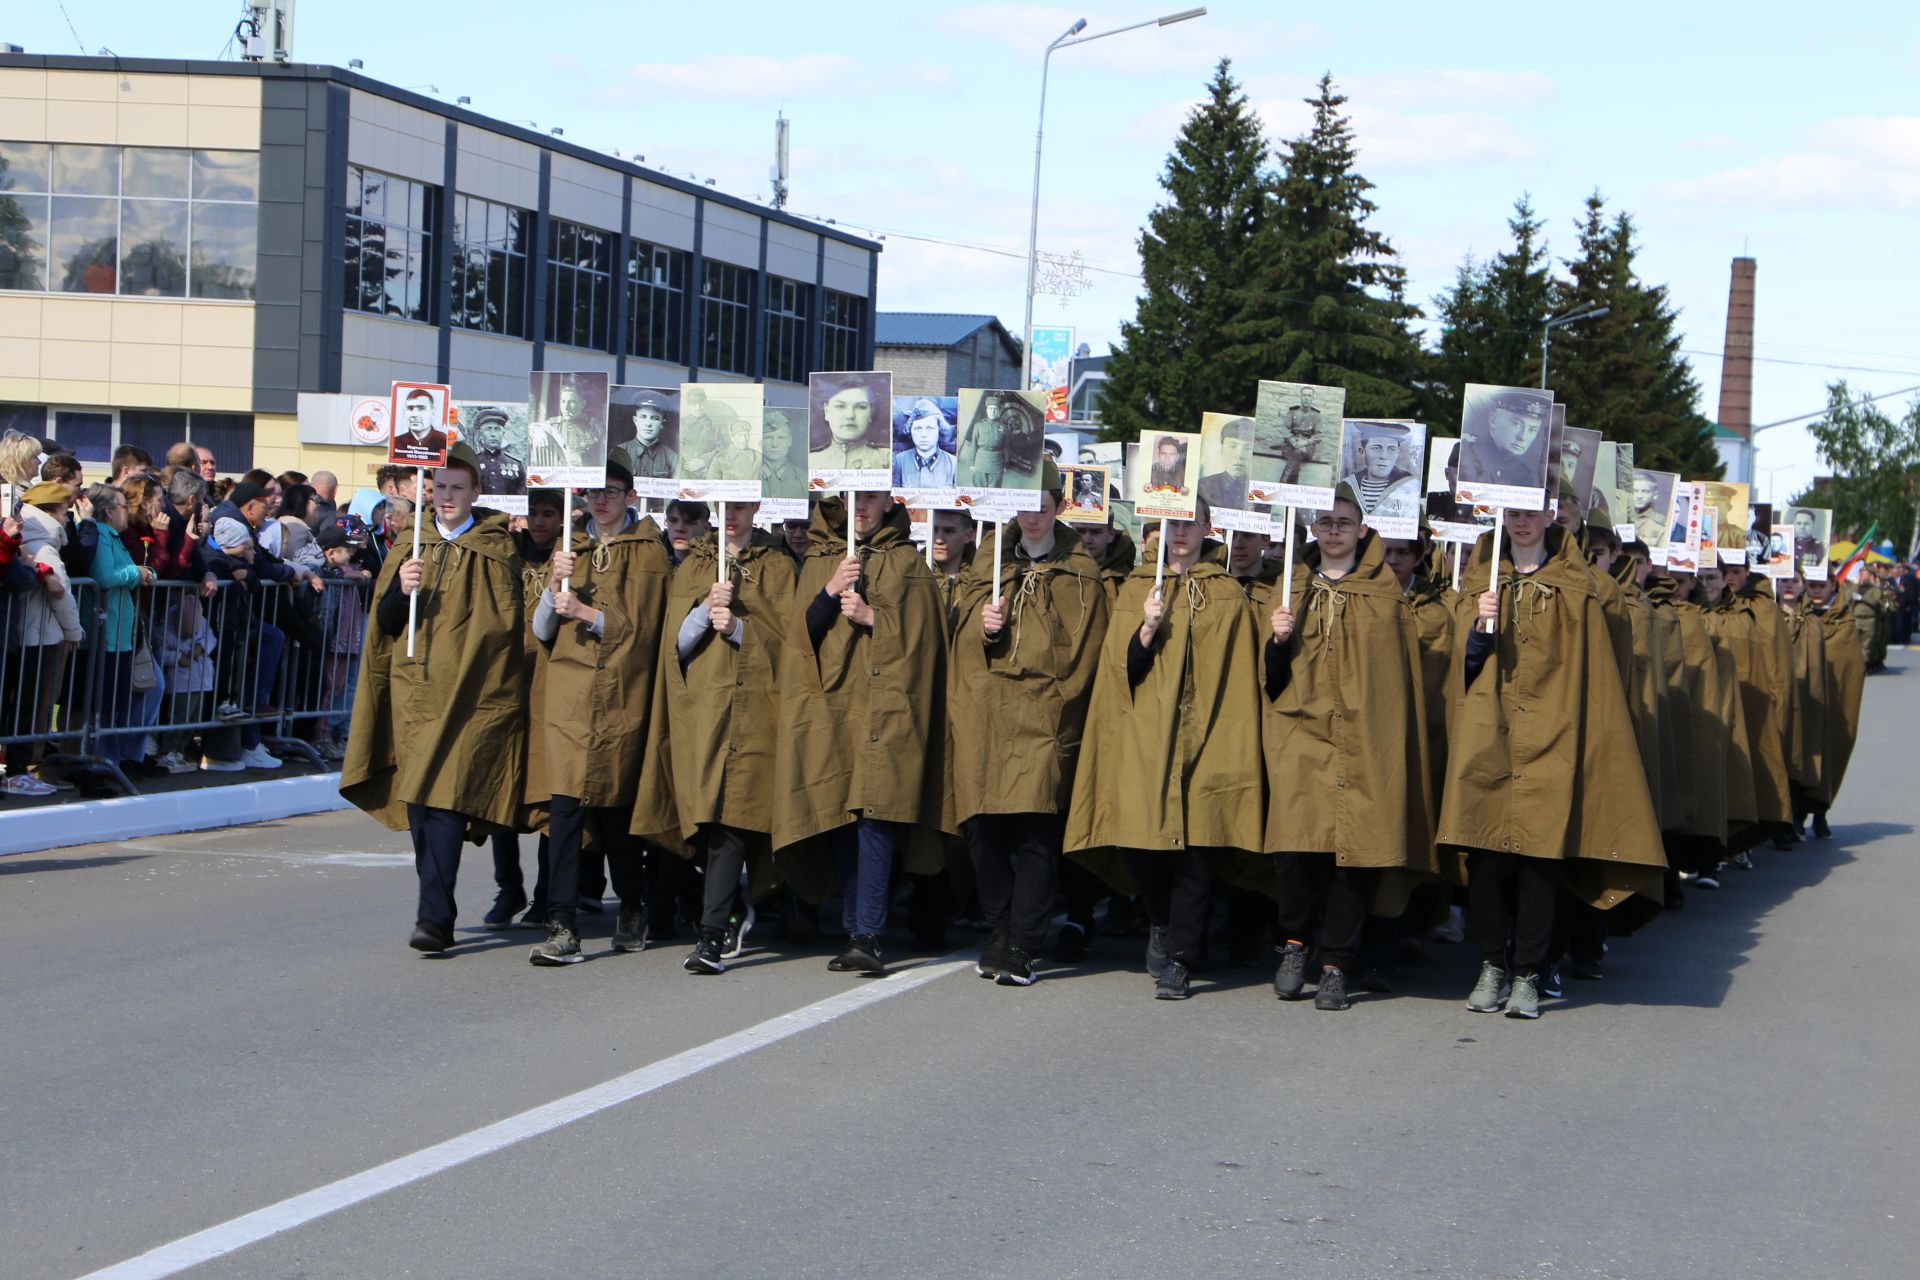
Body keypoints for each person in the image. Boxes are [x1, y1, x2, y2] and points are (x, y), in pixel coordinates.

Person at [1440, 508, 1664, 1020]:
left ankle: (1528, 973)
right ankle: (1492, 963)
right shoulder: (1479, 579)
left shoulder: (1578, 587)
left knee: (1542, 860)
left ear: (1548, 515)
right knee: (1484, 856)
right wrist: (1478, 626)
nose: (1521, 523)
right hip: (1487, 736)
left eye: (1530, 513)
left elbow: (1599, 666)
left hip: (1552, 734)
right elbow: (1461, 667)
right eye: (1511, 514)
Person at [1065, 496, 1265, 1000]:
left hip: (1209, 733)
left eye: (1190, 523)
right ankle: (1159, 920)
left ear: (1207, 527)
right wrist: (1147, 629)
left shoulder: (1226, 594)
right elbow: (1120, 673)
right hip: (1146, 735)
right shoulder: (1137, 587)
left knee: (1196, 848)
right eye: (1171, 523)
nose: (1180, 532)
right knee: (1141, 842)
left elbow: (1238, 674)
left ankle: (1180, 957)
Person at [342, 443, 530, 955]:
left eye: (457, 488)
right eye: (440, 487)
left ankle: (436, 917)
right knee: (422, 805)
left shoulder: (496, 548)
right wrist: (400, 591)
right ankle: (436, 905)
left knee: (445, 802)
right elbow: (383, 627)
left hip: (471, 699)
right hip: (415, 698)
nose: (446, 497)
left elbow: (508, 626)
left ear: (475, 492)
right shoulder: (412, 542)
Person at [1260, 490, 1433, 1011]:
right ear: (1313, 528)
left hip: (1362, 740)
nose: (1334, 531)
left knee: (1352, 857)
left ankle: (1337, 962)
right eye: (1326, 522)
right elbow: (1268, 679)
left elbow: (1396, 680)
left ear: (1362, 530)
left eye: (1344, 522)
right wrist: (1276, 640)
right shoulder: (1290, 586)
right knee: (1293, 849)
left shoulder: (1384, 594)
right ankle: (1295, 943)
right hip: (1301, 732)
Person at [774, 491, 949, 976]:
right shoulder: (822, 559)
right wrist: (830, 591)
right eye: (854, 501)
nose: (862, 510)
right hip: (833, 707)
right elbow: (801, 636)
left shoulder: (908, 562)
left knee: (876, 815)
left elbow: (927, 642)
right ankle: (854, 924)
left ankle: (867, 933)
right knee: (842, 816)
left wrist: (875, 619)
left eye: (871, 500)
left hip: (889, 706)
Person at [950, 459, 1110, 985]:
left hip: (1045, 713)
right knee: (982, 825)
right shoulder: (990, 561)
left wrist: (1062, 702)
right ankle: (999, 930)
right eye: (1023, 507)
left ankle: (1024, 940)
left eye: (1041, 507)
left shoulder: (1081, 571)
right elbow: (962, 637)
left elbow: (1086, 648)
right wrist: (983, 624)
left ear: (1058, 507)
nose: (1031, 517)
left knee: (1038, 829)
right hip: (988, 713)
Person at [638, 498, 796, 973]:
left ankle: (711, 934)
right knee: (704, 817)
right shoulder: (696, 565)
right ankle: (725, 909)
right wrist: (707, 612)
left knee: (734, 819)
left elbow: (791, 645)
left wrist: (741, 630)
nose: (733, 515)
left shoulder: (778, 566)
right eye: (726, 506)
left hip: (755, 712)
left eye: (742, 506)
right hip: (703, 709)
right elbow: (675, 646)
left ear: (757, 509)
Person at [525, 459, 672, 964]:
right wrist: (553, 589)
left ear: (630, 496)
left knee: (614, 815)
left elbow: (647, 631)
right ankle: (561, 924)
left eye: (611, 491)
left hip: (621, 697)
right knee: (565, 810)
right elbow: (542, 630)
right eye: (593, 492)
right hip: (569, 695)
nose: (601, 501)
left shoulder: (649, 552)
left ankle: (633, 903)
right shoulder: (572, 548)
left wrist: (589, 614)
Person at [1460, 391, 1547, 491]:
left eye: (1532, 430)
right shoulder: (1468, 453)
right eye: (1516, 424)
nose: (1523, 437)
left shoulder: (1524, 474)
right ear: (1493, 421)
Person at [811, 378, 890, 472]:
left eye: (861, 407)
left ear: (871, 413)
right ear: (826, 411)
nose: (850, 415)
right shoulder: (811, 460)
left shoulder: (886, 459)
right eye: (840, 406)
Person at [1342, 422, 1416, 520]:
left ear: (1397, 453)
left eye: (1391, 449)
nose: (1384, 456)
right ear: (1362, 452)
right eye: (1376, 448)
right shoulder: (1347, 486)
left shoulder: (1410, 487)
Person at [528, 376, 598, 471]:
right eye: (563, 401)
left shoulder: (591, 429)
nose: (566, 408)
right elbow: (533, 426)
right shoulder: (554, 424)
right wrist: (537, 430)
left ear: (582, 404)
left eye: (571, 402)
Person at [892, 398, 957, 489]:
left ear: (939, 430)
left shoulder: (953, 464)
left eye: (929, 428)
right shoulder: (899, 461)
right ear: (911, 430)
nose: (923, 435)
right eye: (918, 428)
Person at [1198, 417, 1254, 514]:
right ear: (1222, 449)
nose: (1239, 455)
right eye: (1233, 446)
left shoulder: (1260, 490)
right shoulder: (1202, 486)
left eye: (1248, 448)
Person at [469, 408, 525, 497]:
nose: (493, 434)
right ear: (480, 434)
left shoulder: (516, 464)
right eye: (488, 429)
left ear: (503, 433)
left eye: (497, 429)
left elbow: (522, 494)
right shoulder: (470, 463)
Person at [957, 394, 1007, 488]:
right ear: (987, 410)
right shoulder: (979, 425)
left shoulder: (1004, 427)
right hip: (981, 461)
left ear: (999, 411)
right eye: (990, 408)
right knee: (979, 489)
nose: (993, 411)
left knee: (995, 491)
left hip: (997, 462)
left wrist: (1005, 464)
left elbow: (1006, 447)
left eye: (995, 409)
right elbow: (974, 445)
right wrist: (973, 462)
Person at [627, 394, 679, 481]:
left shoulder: (673, 458)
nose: (648, 424)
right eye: (643, 417)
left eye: (655, 418)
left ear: (662, 423)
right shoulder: (620, 453)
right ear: (635, 421)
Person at [390, 388, 447, 464]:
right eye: (410, 408)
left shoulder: (443, 441)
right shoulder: (396, 443)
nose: (414, 415)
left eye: (421, 409)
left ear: (433, 413)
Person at [760, 409, 805, 496]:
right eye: (768, 437)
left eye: (781, 437)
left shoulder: (803, 479)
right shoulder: (748, 476)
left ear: (790, 441)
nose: (775, 444)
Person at [1631, 474, 1670, 550]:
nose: (1639, 496)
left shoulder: (1661, 525)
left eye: (1645, 491)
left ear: (1655, 495)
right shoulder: (1619, 518)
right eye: (1635, 491)